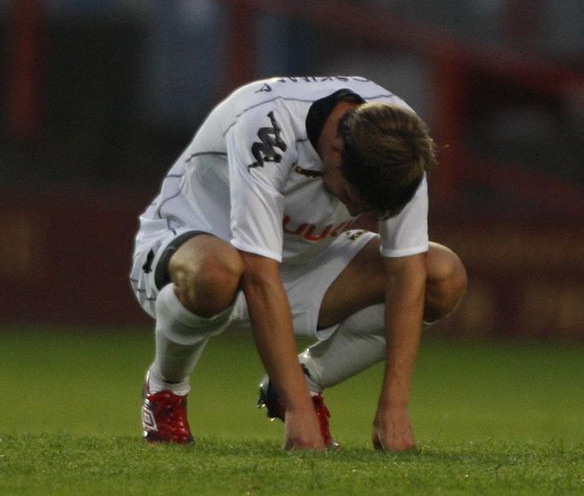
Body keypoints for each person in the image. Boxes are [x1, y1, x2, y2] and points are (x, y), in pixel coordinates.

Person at [130, 76, 467, 451]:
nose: (356, 211)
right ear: (336, 150)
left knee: (442, 276)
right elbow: (258, 275)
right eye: (353, 197)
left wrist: (395, 405)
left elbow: (407, 274)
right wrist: (299, 412)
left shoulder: (400, 142)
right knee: (219, 271)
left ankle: (305, 380)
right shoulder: (267, 124)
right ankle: (166, 389)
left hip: (305, 259)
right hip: (196, 248)